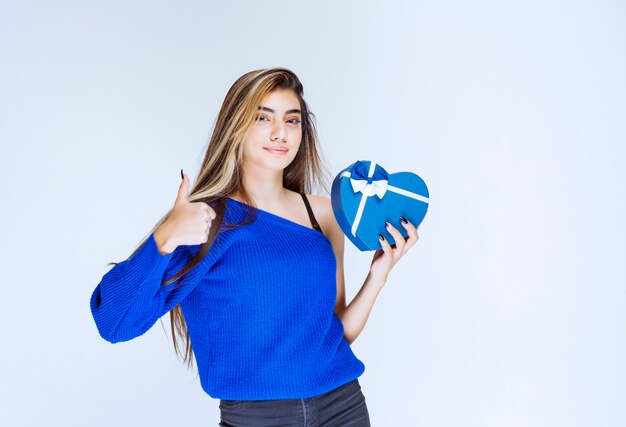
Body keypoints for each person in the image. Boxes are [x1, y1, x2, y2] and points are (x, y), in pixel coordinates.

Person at [89, 67, 421, 426]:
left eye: (292, 121)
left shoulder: (322, 214)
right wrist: (164, 238)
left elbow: (339, 333)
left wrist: (377, 275)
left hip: (343, 408)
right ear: (237, 126)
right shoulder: (207, 221)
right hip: (255, 418)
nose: (280, 133)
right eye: (263, 118)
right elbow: (114, 322)